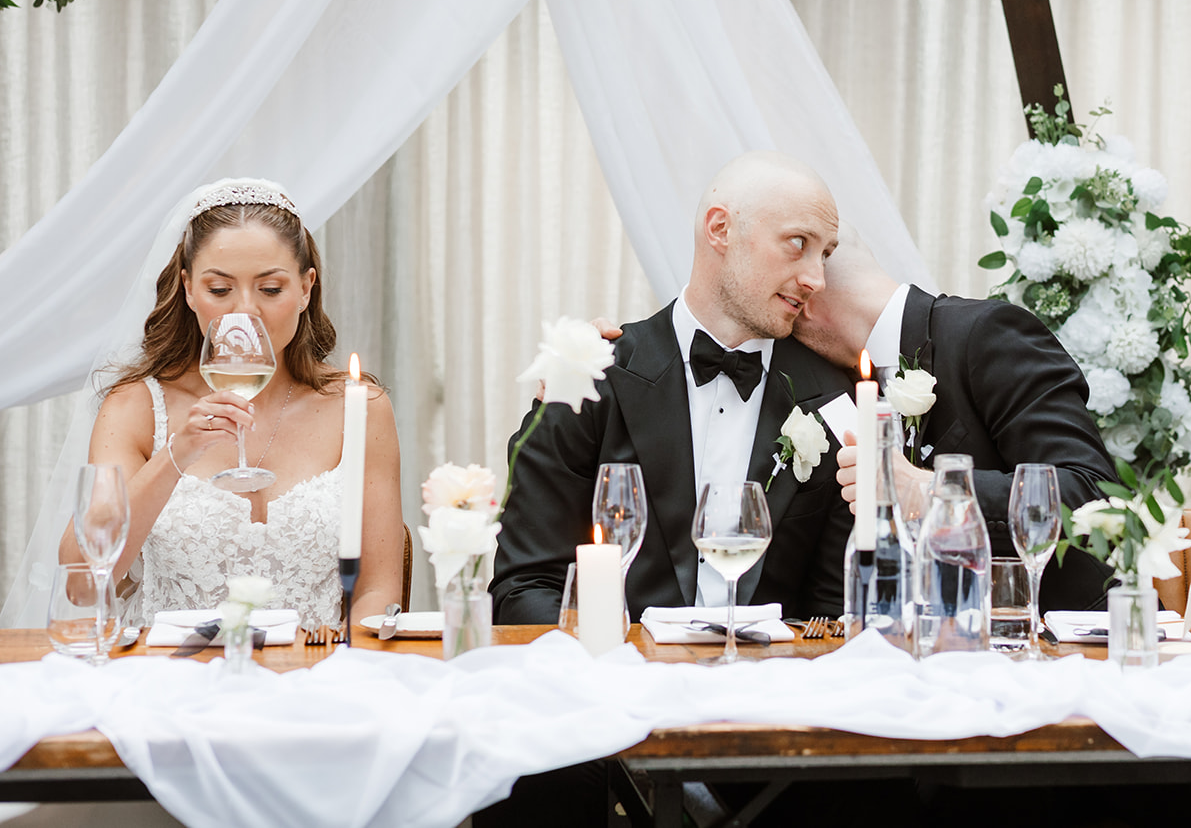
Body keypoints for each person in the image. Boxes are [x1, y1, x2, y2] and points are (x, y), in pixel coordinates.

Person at [491, 152, 856, 625]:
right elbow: (525, 586)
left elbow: (835, 617)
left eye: (824, 255)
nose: (816, 280)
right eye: (798, 243)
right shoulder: (589, 377)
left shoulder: (833, 401)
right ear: (720, 230)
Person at [55, 179, 404, 629]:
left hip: (312, 668)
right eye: (220, 290)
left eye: (271, 289)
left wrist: (339, 666)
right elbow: (82, 586)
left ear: (306, 288)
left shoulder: (360, 409)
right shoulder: (134, 407)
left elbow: (377, 590)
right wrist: (176, 455)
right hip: (169, 668)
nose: (245, 312)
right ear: (188, 289)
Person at [789, 224, 1118, 609]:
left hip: (1070, 632)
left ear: (804, 302)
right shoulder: (849, 388)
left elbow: (1091, 493)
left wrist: (929, 490)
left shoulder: (988, 333)